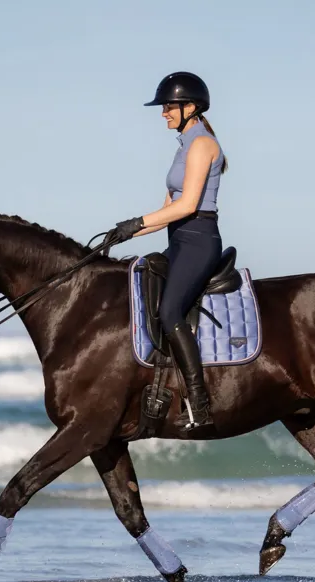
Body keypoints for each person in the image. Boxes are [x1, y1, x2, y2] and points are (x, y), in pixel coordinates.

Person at [110, 71, 227, 430]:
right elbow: (167, 212)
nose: (163, 113)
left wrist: (136, 222)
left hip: (199, 239)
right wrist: (124, 233)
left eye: (168, 107)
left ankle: (199, 403)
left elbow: (188, 205)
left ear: (190, 107)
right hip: (179, 238)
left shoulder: (202, 144)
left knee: (170, 310)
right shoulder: (183, 146)